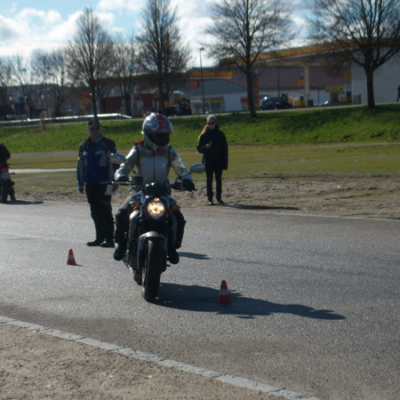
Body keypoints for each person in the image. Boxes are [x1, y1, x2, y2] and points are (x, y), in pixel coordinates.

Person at [113, 112, 195, 265]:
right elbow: (125, 166)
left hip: (163, 192)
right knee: (121, 213)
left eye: (164, 136)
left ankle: (172, 247)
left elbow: (180, 167)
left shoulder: (169, 151)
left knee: (178, 218)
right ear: (148, 134)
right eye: (158, 136)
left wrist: (187, 179)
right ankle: (121, 244)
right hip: (140, 192)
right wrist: (120, 175)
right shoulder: (138, 150)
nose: (161, 140)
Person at [77, 119, 118, 248]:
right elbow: (81, 165)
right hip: (90, 183)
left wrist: (115, 181)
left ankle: (110, 239)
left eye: (97, 128)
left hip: (105, 182)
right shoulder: (84, 145)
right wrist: (80, 183)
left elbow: (115, 164)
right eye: (92, 129)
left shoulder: (108, 143)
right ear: (87, 130)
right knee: (95, 212)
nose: (95, 131)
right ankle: (99, 238)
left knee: (105, 210)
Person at [197, 115, 228, 205]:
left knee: (218, 180)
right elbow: (199, 149)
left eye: (212, 123)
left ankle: (219, 197)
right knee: (209, 180)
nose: (211, 125)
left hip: (218, 161)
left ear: (215, 123)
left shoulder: (220, 134)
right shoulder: (204, 135)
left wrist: (224, 163)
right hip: (208, 161)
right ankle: (209, 198)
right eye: (209, 123)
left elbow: (225, 149)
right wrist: (205, 147)